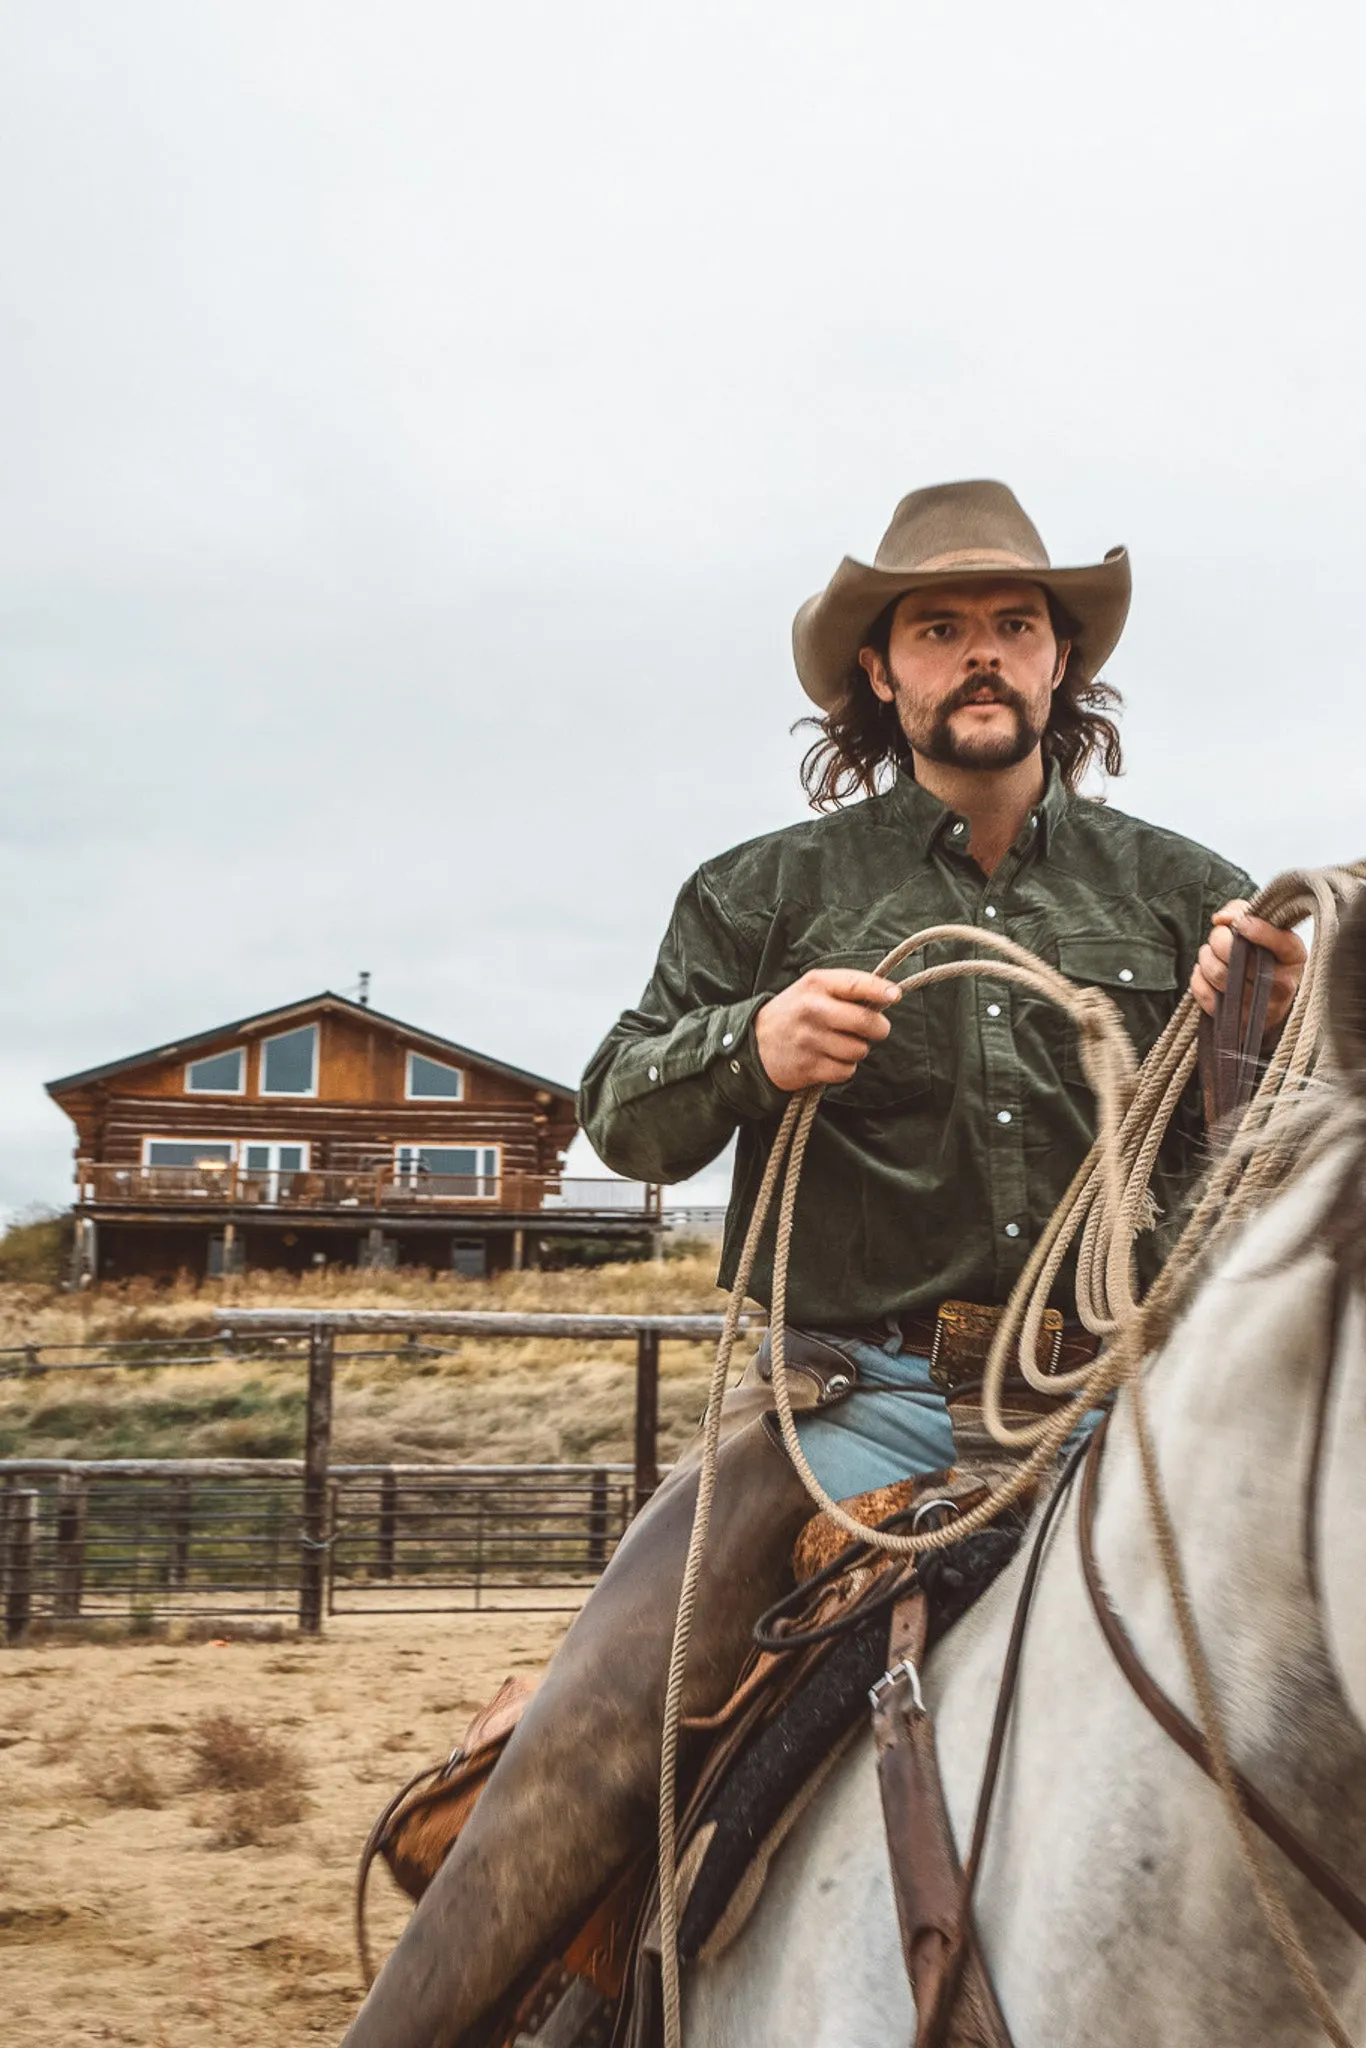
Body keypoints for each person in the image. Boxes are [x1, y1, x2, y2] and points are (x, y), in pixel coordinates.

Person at [340, 480, 1304, 2048]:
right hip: (853, 1410)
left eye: (1012, 625)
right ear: (883, 671)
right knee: (592, 1737)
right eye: (940, 628)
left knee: (1343, 1755)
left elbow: (1256, 1172)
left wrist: (1267, 1038)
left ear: (1063, 663)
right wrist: (750, 1046)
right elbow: (620, 1116)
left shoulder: (1192, 893)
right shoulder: (766, 894)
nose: (979, 655)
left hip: (1120, 1408)